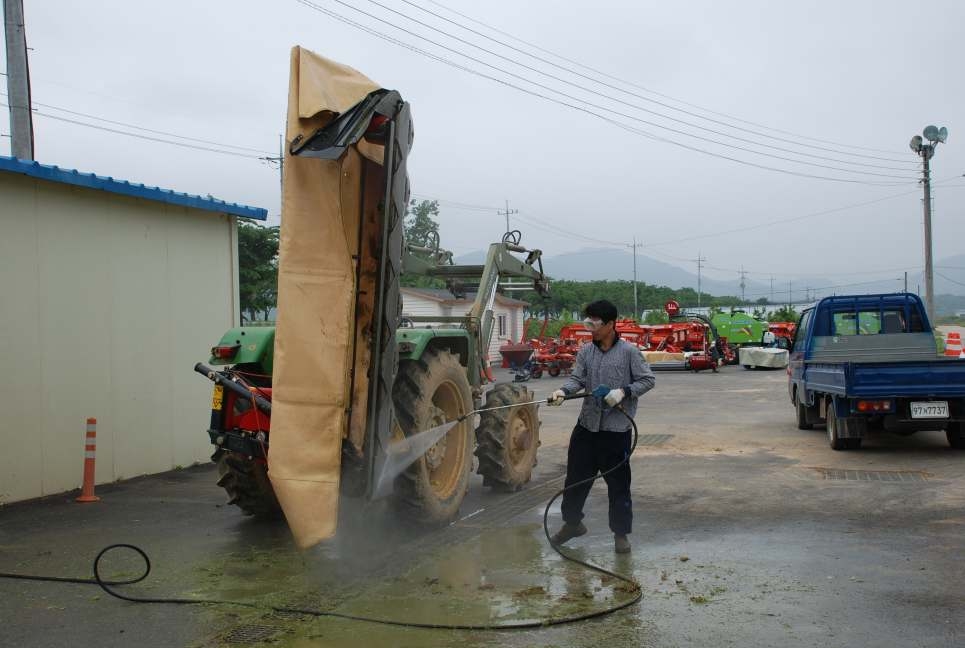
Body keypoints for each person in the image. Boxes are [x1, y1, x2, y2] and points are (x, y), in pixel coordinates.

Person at [548, 300, 655, 554]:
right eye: (588, 323)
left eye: (594, 323)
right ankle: (572, 524)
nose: (590, 328)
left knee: (618, 484)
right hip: (587, 427)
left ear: (609, 324)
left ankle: (620, 535)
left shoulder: (629, 352)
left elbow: (648, 380)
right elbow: (577, 378)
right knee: (574, 480)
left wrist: (624, 392)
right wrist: (563, 391)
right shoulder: (586, 351)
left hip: (616, 432)